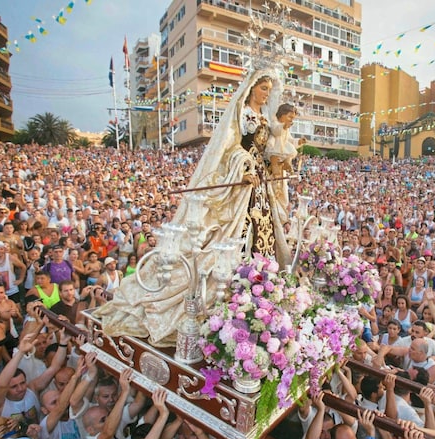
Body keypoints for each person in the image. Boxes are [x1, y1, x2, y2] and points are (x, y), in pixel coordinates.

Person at [94, 66, 292, 346]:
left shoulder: (264, 118)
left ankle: (260, 288)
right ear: (251, 88)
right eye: (263, 89)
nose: (266, 94)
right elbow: (229, 148)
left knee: (264, 233)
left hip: (259, 185)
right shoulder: (241, 113)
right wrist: (242, 167)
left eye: (269, 90)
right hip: (243, 182)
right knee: (232, 237)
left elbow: (269, 150)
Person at [265, 103, 303, 224]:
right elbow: (276, 131)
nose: (291, 120)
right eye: (289, 117)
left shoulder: (287, 131)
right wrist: (284, 126)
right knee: (275, 152)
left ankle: (287, 162)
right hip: (274, 146)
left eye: (293, 118)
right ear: (282, 115)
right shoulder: (276, 124)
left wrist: (299, 141)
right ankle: (275, 165)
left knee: (290, 151)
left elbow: (291, 140)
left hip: (283, 149)